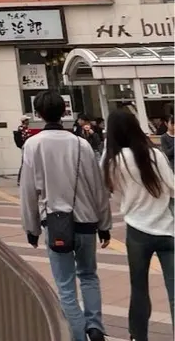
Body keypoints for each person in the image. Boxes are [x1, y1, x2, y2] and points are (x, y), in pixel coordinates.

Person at [20, 90, 111, 341]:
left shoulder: (33, 145)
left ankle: (78, 335)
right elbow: (98, 188)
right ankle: (95, 327)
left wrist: (31, 228)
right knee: (89, 275)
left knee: (66, 286)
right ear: (64, 112)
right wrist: (104, 224)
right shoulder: (81, 144)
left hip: (56, 223)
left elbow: (28, 190)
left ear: (39, 114)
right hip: (87, 221)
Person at [102, 108, 174, 340]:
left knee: (139, 288)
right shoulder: (155, 155)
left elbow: (116, 197)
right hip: (167, 229)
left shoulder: (112, 162)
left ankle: (138, 336)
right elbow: (173, 188)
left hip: (136, 231)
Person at [14, 115, 31, 184]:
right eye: (27, 120)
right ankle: (20, 179)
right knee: (24, 163)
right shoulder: (22, 128)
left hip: (27, 147)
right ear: (24, 121)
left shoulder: (25, 128)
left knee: (26, 162)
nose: (28, 121)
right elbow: (25, 138)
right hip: (25, 147)